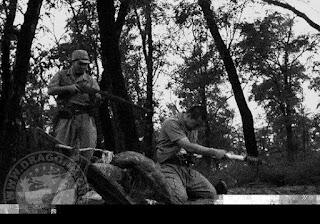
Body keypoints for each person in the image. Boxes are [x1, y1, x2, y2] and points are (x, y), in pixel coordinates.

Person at [156, 105, 228, 204]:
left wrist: (214, 156)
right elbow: (188, 146)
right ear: (189, 116)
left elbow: (191, 151)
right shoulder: (171, 123)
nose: (197, 128)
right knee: (179, 198)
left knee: (211, 194)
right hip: (168, 167)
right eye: (196, 124)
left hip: (185, 169)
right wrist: (214, 152)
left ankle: (185, 191)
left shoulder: (193, 129)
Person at [48, 49, 101, 160]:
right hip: (66, 116)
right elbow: (51, 90)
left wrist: (95, 97)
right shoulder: (61, 75)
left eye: (85, 64)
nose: (83, 67)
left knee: (88, 148)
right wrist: (68, 88)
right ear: (73, 62)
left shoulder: (91, 80)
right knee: (61, 146)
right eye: (80, 64)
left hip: (85, 117)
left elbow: (98, 97)